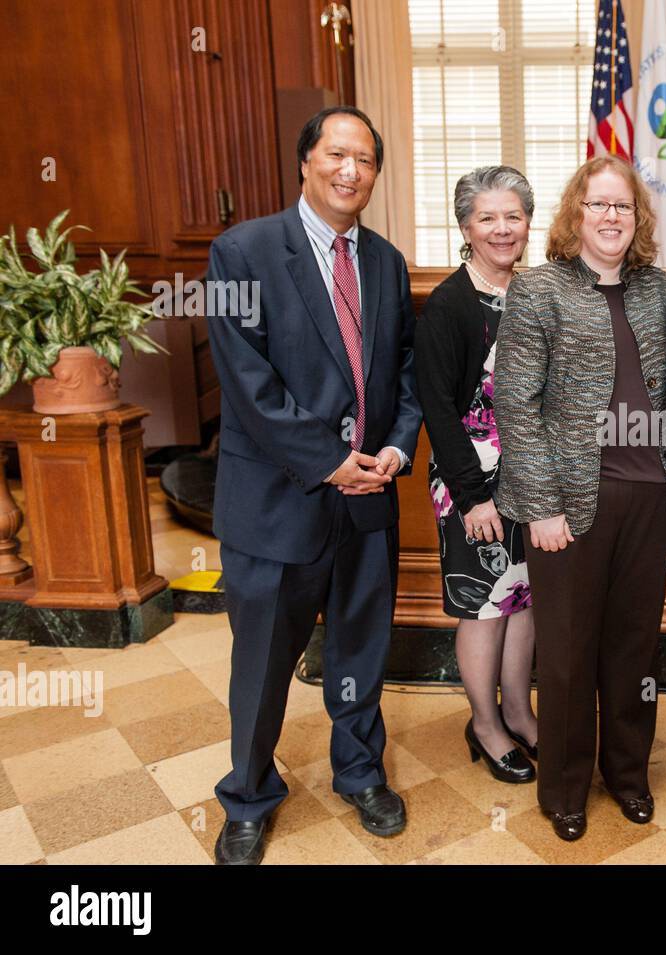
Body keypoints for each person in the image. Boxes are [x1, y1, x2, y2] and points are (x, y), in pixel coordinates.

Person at [206, 106, 421, 865]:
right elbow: (247, 381)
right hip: (278, 501)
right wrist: (328, 461)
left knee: (361, 648)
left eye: (364, 159)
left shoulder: (389, 263)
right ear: (305, 161)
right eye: (336, 154)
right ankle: (249, 793)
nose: (350, 170)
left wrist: (394, 451)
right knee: (263, 661)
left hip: (370, 500)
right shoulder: (241, 252)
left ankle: (359, 770)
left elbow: (403, 375)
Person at [495, 156, 666, 841]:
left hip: (650, 496)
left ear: (638, 218)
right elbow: (515, 404)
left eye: (623, 206)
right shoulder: (538, 290)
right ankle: (566, 786)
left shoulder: (660, 292)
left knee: (634, 651)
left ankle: (628, 775)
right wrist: (541, 506)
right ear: (575, 213)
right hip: (570, 504)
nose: (611, 216)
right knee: (570, 653)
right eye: (599, 204)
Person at [414, 165, 537, 785]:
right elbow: (437, 409)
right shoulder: (449, 305)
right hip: (474, 489)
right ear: (465, 227)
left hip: (532, 485)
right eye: (487, 218)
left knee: (524, 602)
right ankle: (485, 723)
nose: (502, 228)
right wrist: (471, 497)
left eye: (512, 215)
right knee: (486, 608)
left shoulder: (538, 292)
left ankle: (518, 709)